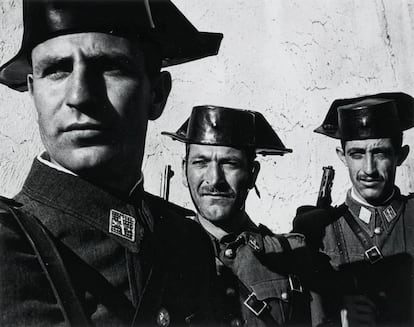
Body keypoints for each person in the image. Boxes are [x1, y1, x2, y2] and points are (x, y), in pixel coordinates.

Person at [0, 0, 223, 325]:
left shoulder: (186, 242)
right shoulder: (10, 244)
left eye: (110, 66)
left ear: (157, 94)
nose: (80, 95)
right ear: (33, 91)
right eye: (56, 69)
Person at [163, 105, 311, 326]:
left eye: (229, 163)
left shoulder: (291, 257)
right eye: (200, 163)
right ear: (185, 170)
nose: (214, 180)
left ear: (252, 174)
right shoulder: (161, 254)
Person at [293, 92, 414, 326]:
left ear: (400, 155)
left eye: (380, 153)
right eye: (357, 154)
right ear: (342, 157)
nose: (369, 169)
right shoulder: (316, 229)